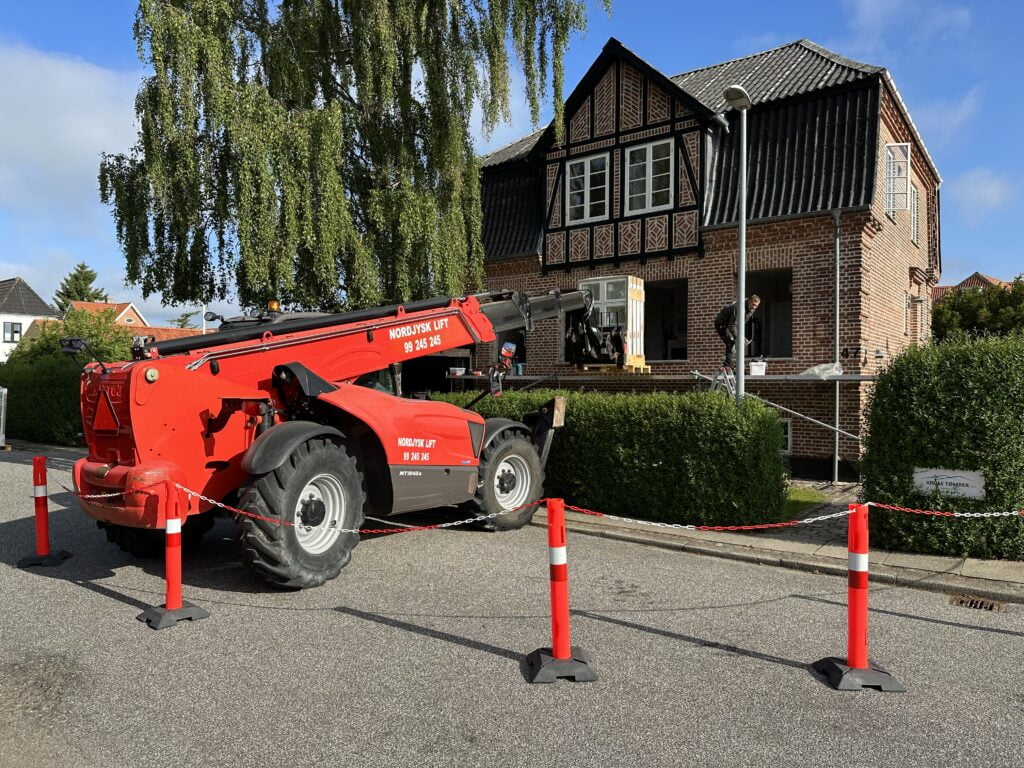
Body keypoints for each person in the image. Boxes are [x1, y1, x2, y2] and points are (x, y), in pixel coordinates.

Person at [714, 295, 760, 369]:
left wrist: (742, 337)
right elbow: (732, 326)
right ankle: (727, 366)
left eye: (756, 306)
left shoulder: (751, 310)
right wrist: (739, 338)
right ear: (749, 302)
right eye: (753, 304)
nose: (754, 307)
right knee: (731, 342)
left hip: (731, 324)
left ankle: (728, 361)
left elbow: (741, 324)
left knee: (735, 342)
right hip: (722, 323)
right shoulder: (739, 308)